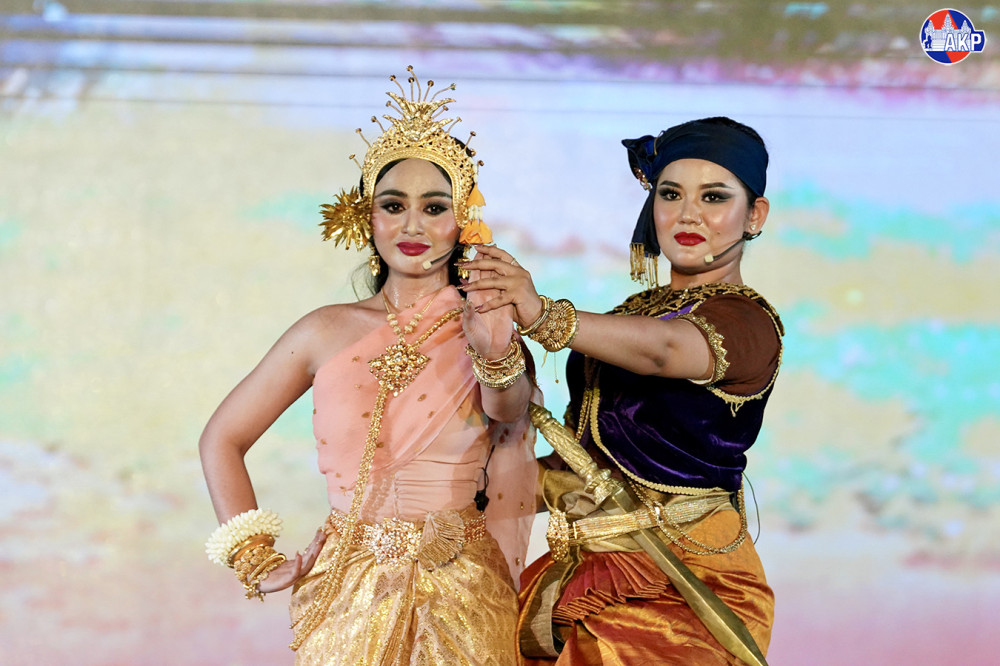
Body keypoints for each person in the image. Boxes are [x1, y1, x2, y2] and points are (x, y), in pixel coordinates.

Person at [199, 68, 538, 665]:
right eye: (393, 206)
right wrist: (254, 556)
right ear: (367, 216)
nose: (413, 226)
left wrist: (492, 349)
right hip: (347, 587)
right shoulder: (323, 330)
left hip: (461, 584)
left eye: (435, 208)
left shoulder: (485, 323)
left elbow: (509, 414)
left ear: (462, 220)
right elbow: (221, 438)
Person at [461, 117, 782, 664]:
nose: (687, 214)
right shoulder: (631, 314)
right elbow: (586, 465)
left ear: (755, 215)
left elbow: (666, 351)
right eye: (671, 194)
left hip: (685, 584)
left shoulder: (747, 321)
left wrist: (542, 316)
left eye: (714, 197)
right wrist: (459, 492)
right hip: (588, 571)